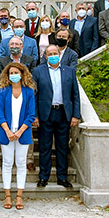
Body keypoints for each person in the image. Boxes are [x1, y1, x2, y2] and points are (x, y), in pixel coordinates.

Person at [33, 45, 80, 189]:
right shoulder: (38, 71)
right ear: (45, 56)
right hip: (45, 113)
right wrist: (35, 116)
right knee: (45, 146)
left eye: (55, 53)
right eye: (49, 54)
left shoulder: (69, 71)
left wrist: (75, 115)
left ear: (59, 54)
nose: (53, 55)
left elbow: (75, 95)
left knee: (62, 147)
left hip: (63, 113)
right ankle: (43, 177)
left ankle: (62, 177)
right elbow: (34, 95)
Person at [0, 62, 36, 210]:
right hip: (6, 132)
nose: (13, 75)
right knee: (6, 163)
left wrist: (19, 132)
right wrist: (8, 131)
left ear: (22, 73)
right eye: (11, 73)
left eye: (16, 72)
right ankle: (7, 195)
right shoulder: (3, 91)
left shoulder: (29, 92)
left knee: (20, 163)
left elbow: (31, 114)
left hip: (22, 133)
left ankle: (19, 196)